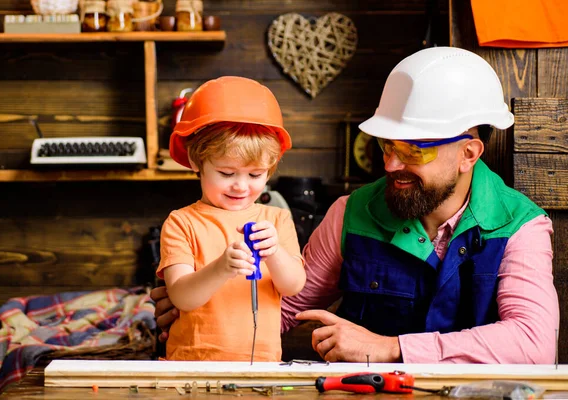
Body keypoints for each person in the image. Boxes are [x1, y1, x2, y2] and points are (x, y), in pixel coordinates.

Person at [152, 47, 559, 364]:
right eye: (387, 145)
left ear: (469, 154)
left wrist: (393, 348)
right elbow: (285, 304)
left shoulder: (520, 225)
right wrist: (200, 309)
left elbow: (533, 344)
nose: (390, 164)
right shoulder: (351, 212)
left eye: (413, 151)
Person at [157, 76, 306, 361]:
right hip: (193, 364)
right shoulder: (182, 222)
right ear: (195, 161)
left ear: (270, 169)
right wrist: (222, 268)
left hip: (261, 364)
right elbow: (182, 297)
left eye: (255, 175)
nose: (240, 186)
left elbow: (293, 285)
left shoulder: (277, 220)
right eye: (226, 173)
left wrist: (274, 253)